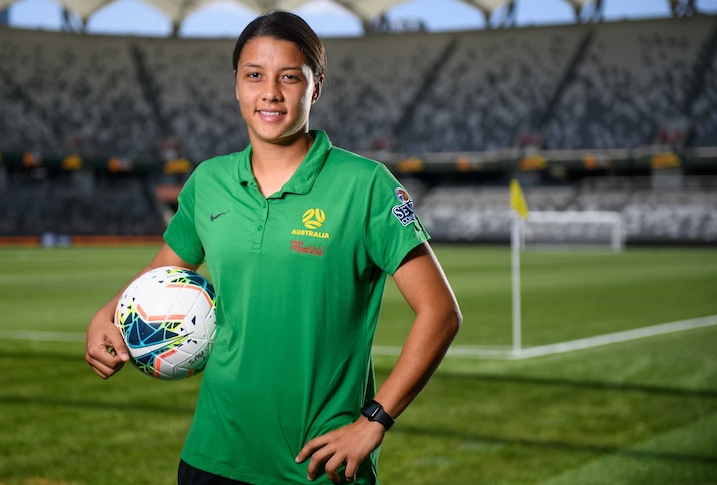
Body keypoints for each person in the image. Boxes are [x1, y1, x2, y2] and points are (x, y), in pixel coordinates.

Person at [85, 10, 462, 485]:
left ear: (316, 86)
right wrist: (108, 312)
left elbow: (440, 312)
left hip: (318, 466)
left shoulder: (366, 185)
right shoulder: (209, 181)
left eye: (289, 77)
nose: (270, 93)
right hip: (212, 457)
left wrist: (374, 422)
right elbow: (162, 272)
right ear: (236, 85)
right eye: (254, 76)